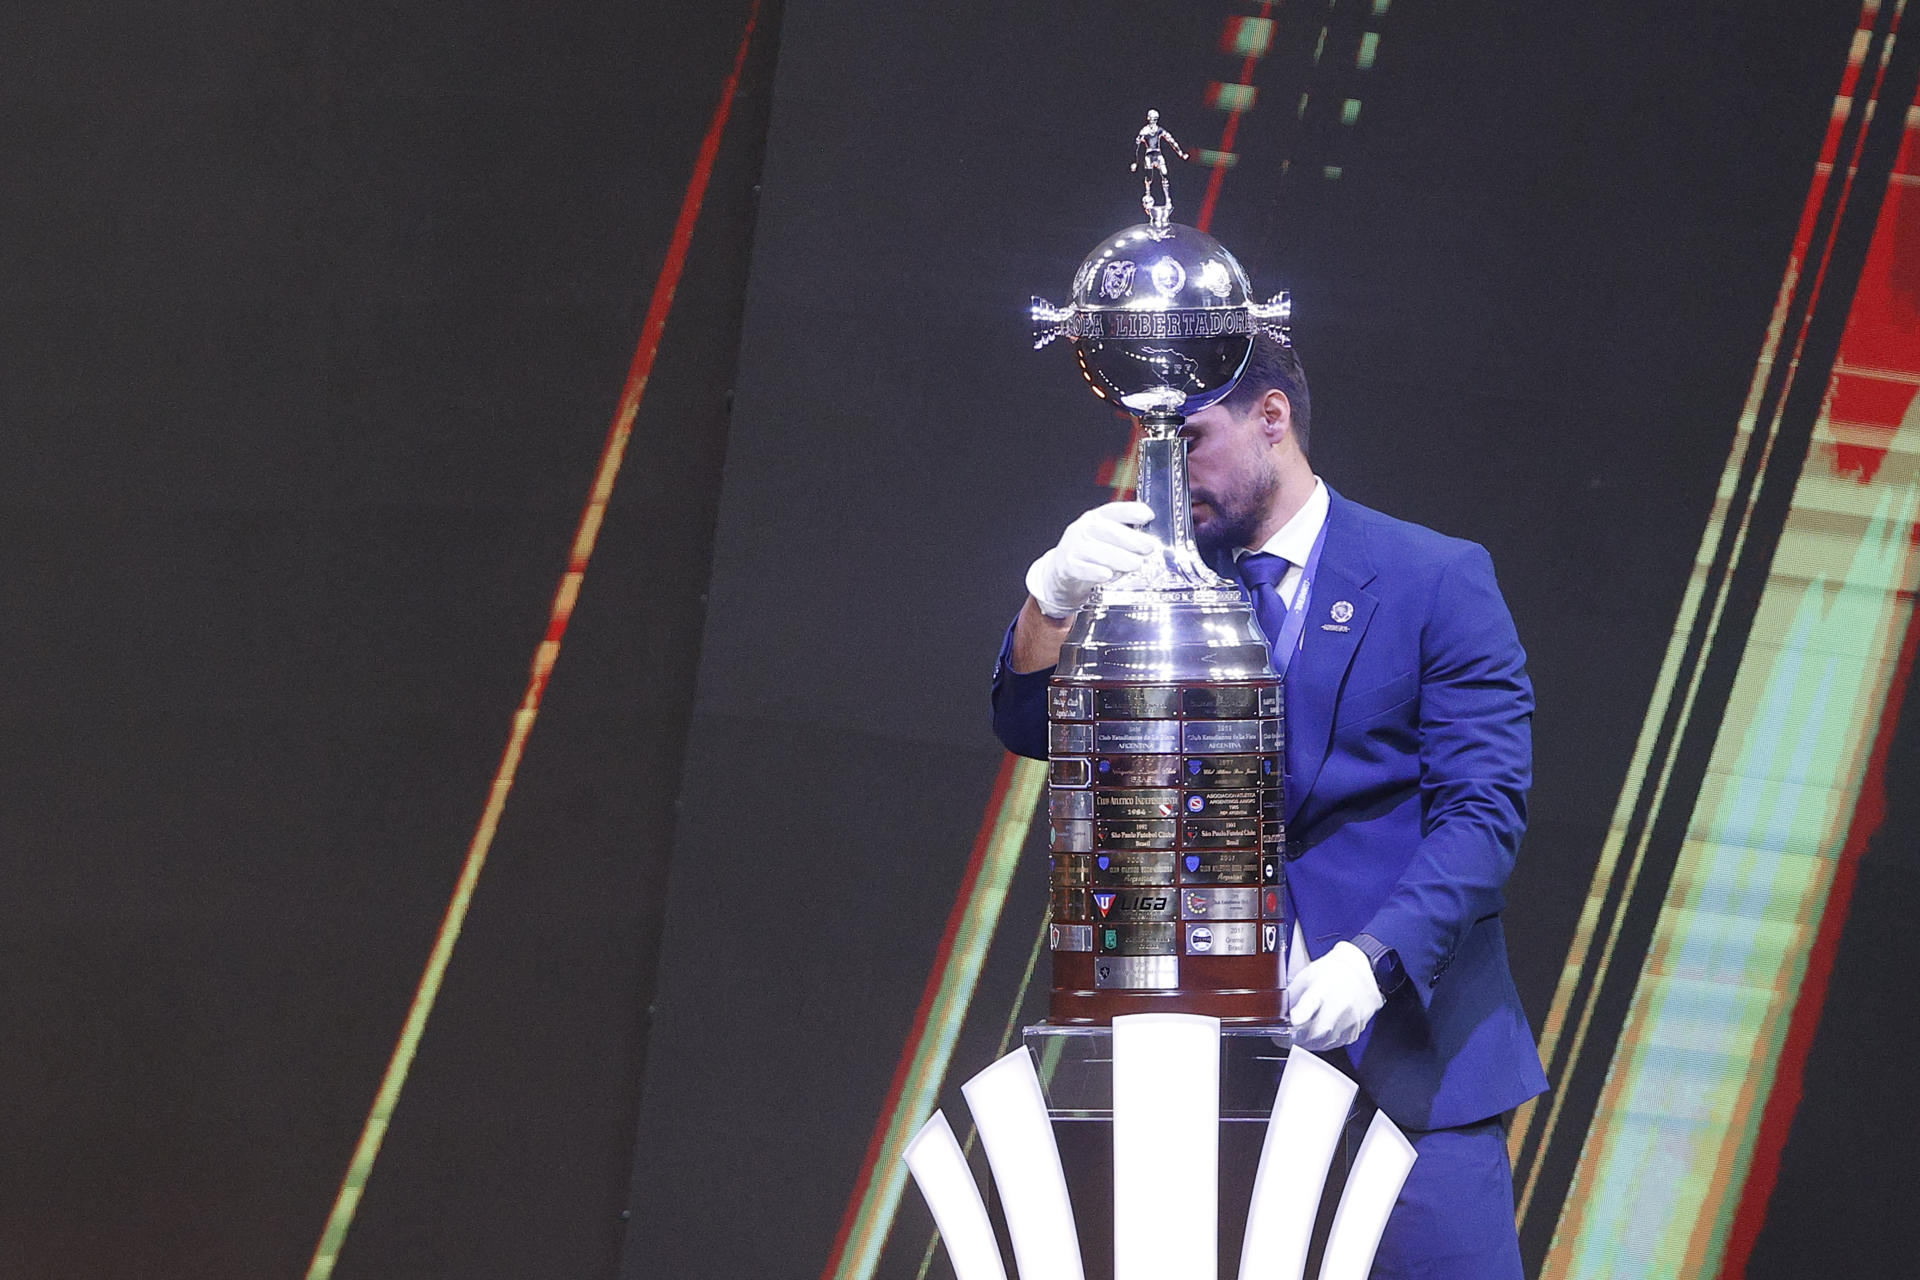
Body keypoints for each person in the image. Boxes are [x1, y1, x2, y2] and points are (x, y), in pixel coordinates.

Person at [990, 335, 1548, 1278]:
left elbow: (1483, 812)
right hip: (1200, 1073)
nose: (1164, 475)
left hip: (1404, 1063)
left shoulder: (1433, 577)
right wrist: (1050, 599)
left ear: (1273, 419)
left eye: (1190, 441)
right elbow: (1030, 725)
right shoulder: (1148, 587)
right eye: (1147, 447)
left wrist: (1378, 961)